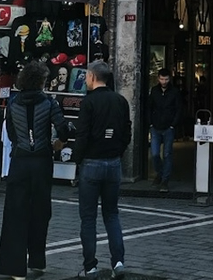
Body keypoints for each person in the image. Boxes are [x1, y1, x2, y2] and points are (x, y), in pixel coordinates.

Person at [0, 62, 70, 280]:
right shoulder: (49, 102)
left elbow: (10, 133)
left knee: (15, 213)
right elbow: (63, 127)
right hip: (41, 162)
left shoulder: (13, 102)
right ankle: (37, 260)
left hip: (19, 161)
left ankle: (14, 267)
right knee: (40, 211)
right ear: (41, 82)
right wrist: (59, 142)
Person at [74, 60, 130, 279]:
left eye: (87, 75)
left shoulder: (88, 103)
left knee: (88, 218)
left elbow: (82, 135)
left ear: (92, 76)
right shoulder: (121, 101)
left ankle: (91, 266)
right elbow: (127, 133)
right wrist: (118, 150)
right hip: (113, 162)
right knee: (111, 214)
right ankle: (118, 262)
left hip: (91, 163)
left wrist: (77, 160)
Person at [145, 67, 181, 192]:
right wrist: (150, 123)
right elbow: (149, 107)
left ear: (169, 79)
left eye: (166, 79)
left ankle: (165, 180)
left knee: (167, 154)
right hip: (155, 127)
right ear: (158, 79)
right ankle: (160, 173)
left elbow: (178, 109)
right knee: (155, 154)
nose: (164, 81)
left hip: (168, 127)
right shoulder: (154, 91)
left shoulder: (175, 92)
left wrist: (173, 124)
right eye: (162, 79)